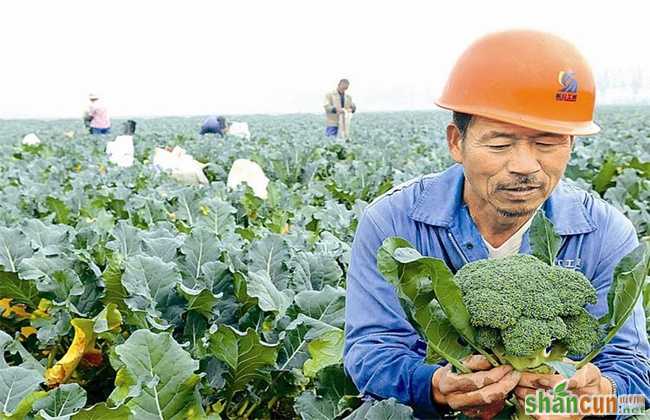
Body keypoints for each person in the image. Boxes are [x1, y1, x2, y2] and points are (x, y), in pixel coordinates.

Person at [344, 30, 649, 419]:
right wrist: (434, 387)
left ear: (571, 143)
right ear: (457, 142)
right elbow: (369, 353)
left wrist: (593, 399)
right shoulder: (392, 221)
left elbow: (636, 390)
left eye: (548, 143)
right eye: (500, 144)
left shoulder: (606, 234)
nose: (525, 165)